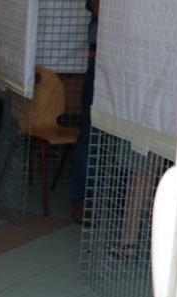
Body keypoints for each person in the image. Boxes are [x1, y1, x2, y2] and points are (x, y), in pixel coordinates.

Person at [70, 0, 98, 224]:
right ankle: (83, 198)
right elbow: (97, 6)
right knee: (90, 133)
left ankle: (115, 201)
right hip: (100, 61)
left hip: (140, 60)